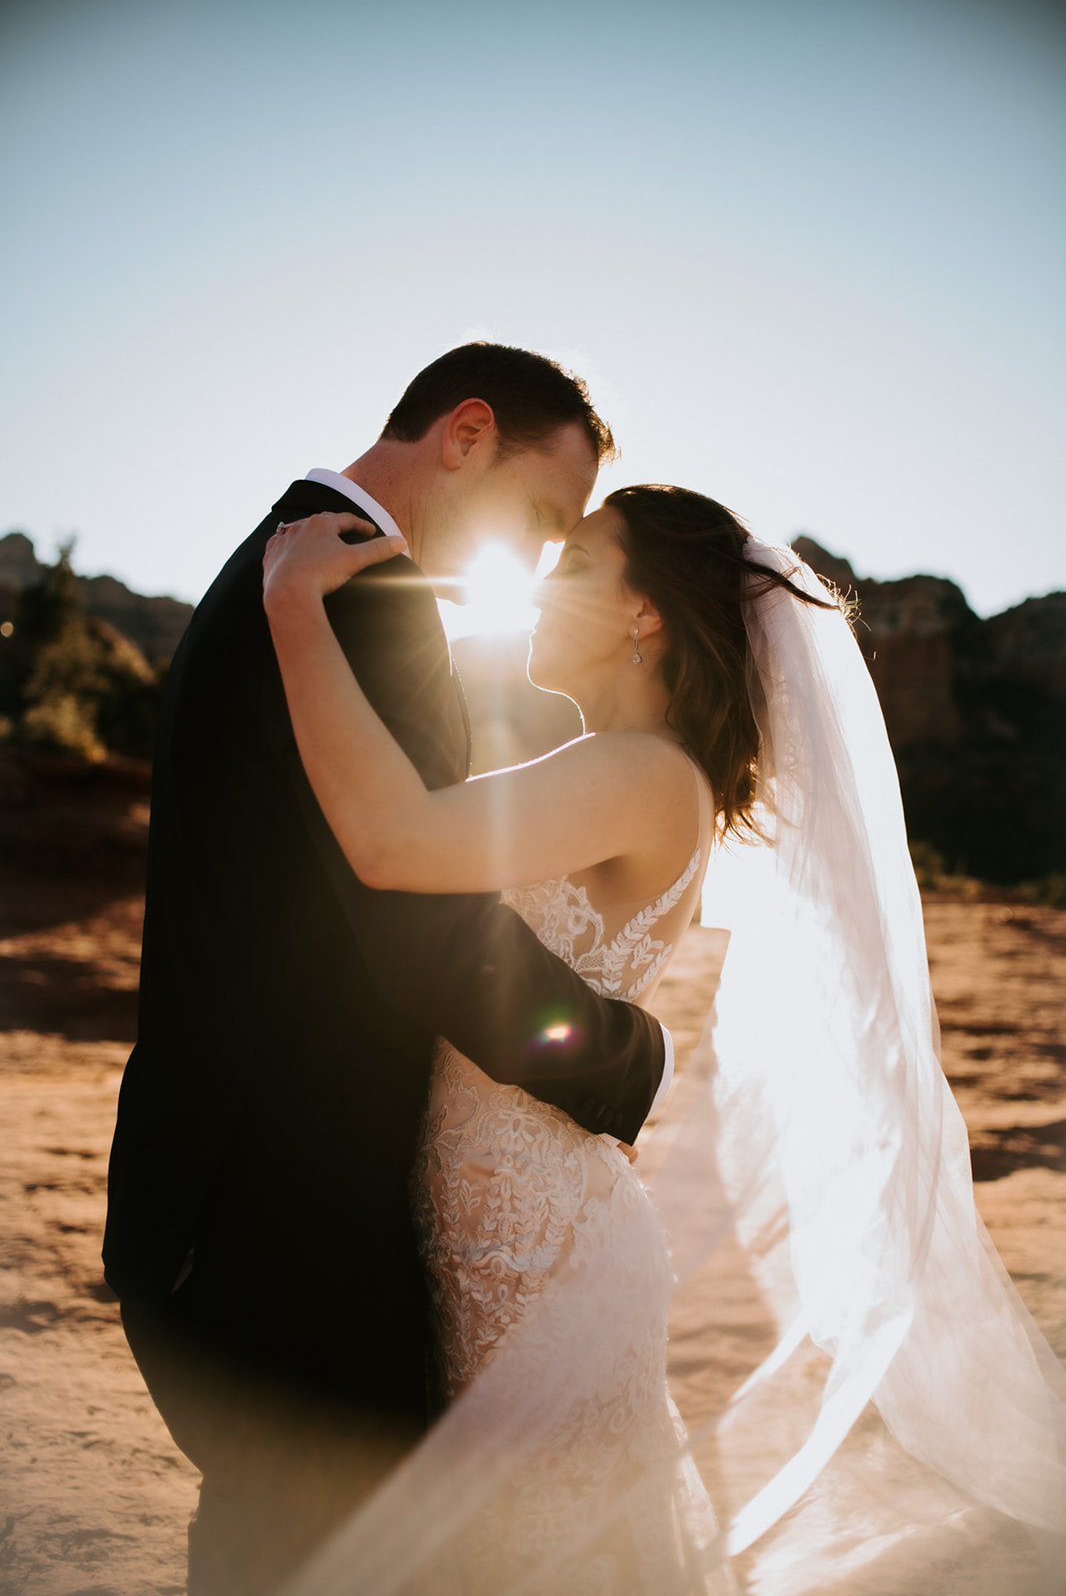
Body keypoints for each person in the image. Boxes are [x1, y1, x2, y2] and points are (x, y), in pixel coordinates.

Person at [263, 488, 1066, 1595]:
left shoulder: (640, 773)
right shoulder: (628, 767)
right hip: (522, 1224)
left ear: (645, 616)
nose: (542, 583)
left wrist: (290, 601)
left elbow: (394, 839)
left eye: (578, 562)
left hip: (534, 1248)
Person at [102, 344, 672, 1596]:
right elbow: (423, 924)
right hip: (282, 1215)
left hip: (229, 1190)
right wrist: (631, 1055)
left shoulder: (295, 561)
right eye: (539, 517)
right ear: (464, 432)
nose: (532, 561)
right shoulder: (363, 599)